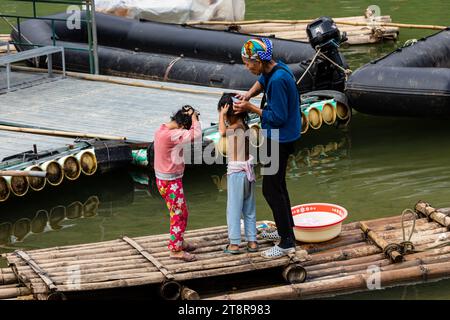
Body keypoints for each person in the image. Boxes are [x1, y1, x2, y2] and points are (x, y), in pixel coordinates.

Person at [233, 37, 301, 259]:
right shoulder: (275, 67)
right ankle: (287, 229)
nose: (246, 67)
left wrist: (250, 107)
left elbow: (278, 117)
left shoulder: (280, 79)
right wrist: (248, 94)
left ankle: (287, 243)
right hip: (281, 136)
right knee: (279, 185)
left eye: (248, 63)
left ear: (260, 60)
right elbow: (262, 79)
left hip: (280, 138)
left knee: (271, 190)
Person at [153, 105, 202, 262]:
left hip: (164, 181)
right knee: (178, 215)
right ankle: (175, 250)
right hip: (170, 182)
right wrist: (194, 117)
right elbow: (197, 134)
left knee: (182, 212)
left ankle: (179, 241)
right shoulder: (173, 135)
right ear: (182, 126)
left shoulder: (162, 129)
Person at [217, 93, 258, 254]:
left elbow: (221, 132)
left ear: (229, 113)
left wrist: (221, 114)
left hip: (237, 173)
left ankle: (234, 244)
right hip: (248, 171)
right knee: (249, 208)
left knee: (233, 208)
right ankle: (252, 241)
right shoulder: (244, 126)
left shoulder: (234, 128)